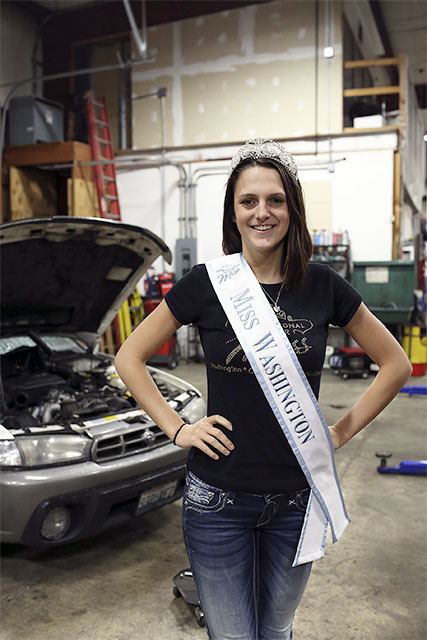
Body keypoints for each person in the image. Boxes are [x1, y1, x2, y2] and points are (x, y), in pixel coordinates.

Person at [114, 138, 412, 640]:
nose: (262, 213)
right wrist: (177, 429)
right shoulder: (207, 283)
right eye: (248, 202)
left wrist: (337, 432)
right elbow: (129, 357)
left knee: (276, 630)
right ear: (233, 214)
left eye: (275, 200)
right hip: (217, 499)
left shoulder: (324, 286)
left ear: (292, 209)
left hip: (296, 499)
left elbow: (395, 364)